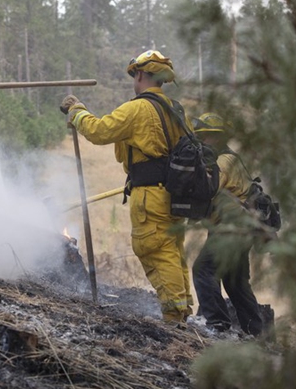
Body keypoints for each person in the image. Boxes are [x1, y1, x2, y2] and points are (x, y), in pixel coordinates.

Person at [60, 50, 193, 326]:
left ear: (141, 74)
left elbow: (99, 131)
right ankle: (182, 311)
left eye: (135, 75)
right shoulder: (176, 109)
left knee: (155, 249)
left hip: (150, 195)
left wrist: (77, 112)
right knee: (172, 250)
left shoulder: (138, 108)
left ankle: (173, 317)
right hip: (174, 194)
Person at [190, 112, 269, 336]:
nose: (201, 141)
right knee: (235, 281)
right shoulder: (227, 159)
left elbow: (208, 188)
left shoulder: (223, 162)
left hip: (231, 227)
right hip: (240, 227)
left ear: (218, 137)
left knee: (203, 269)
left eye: (204, 136)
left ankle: (217, 324)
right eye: (199, 136)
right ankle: (256, 332)